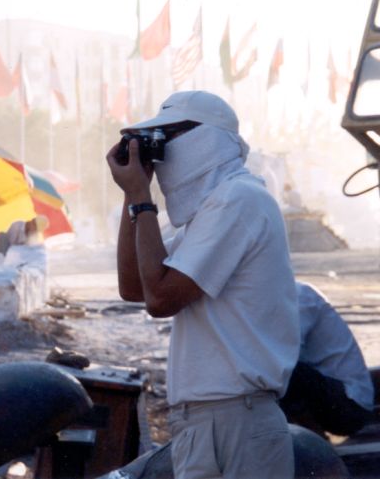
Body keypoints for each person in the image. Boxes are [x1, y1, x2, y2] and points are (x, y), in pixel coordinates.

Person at [106, 90, 300, 479]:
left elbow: (160, 298)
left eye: (167, 137)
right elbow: (135, 287)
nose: (161, 154)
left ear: (204, 139)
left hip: (236, 420)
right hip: (210, 419)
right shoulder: (211, 212)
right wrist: (134, 196)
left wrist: (143, 197)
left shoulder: (239, 199)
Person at [280, 281, 376, 438]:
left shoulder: (298, 295)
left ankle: (312, 438)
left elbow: (285, 354)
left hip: (351, 404)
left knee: (284, 370)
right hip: (329, 397)